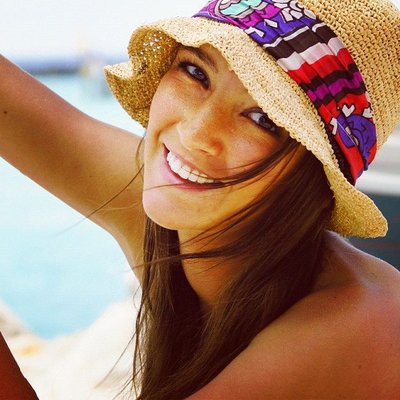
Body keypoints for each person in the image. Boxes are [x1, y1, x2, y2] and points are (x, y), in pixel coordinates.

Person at [1, 0, 399, 398]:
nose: (195, 134)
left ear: (313, 176)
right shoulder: (188, 201)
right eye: (196, 73)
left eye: (263, 119)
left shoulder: (351, 326)